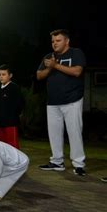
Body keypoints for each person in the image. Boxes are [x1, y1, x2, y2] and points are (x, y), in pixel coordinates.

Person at [37, 29, 86, 176]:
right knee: (54, 133)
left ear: (67, 41)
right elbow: (39, 75)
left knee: (74, 132)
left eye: (58, 40)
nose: (54, 43)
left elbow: (77, 72)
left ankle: (78, 164)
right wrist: (49, 68)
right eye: (53, 41)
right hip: (52, 102)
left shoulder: (76, 53)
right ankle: (57, 162)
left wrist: (55, 66)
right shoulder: (48, 57)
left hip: (72, 100)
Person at [0, 64, 24, 149]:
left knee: (12, 146)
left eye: (4, 74)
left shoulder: (14, 88)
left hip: (11, 122)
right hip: (0, 123)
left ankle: (16, 162)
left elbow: (20, 103)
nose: (1, 77)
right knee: (1, 146)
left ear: (10, 75)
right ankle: (5, 161)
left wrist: (14, 115)